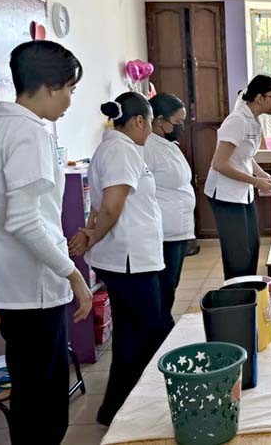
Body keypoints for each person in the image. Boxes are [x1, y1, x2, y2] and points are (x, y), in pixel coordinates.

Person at [0, 40, 91, 444]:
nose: (70, 102)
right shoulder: (30, 135)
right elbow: (24, 221)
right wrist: (72, 273)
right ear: (50, 86)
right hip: (34, 289)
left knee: (27, 390)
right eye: (70, 91)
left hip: (5, 285)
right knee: (46, 400)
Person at [69, 92, 168, 426]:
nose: (151, 131)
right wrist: (94, 234)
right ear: (139, 120)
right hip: (130, 260)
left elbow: (99, 206)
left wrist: (91, 230)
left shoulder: (112, 148)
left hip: (128, 258)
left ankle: (117, 407)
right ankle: (122, 408)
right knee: (143, 332)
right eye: (150, 123)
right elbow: (112, 203)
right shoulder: (122, 149)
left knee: (134, 332)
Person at [204, 75, 271, 280]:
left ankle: (249, 291)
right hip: (225, 195)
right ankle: (237, 298)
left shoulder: (253, 121)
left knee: (252, 246)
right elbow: (220, 164)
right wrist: (256, 182)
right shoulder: (236, 120)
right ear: (259, 98)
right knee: (238, 254)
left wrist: (261, 174)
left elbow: (245, 157)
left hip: (242, 194)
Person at [145, 93, 195, 329]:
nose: (181, 127)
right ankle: (161, 330)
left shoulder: (167, 145)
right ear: (159, 120)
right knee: (163, 288)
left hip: (179, 230)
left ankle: (163, 325)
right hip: (164, 232)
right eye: (177, 122)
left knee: (170, 286)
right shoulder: (147, 148)